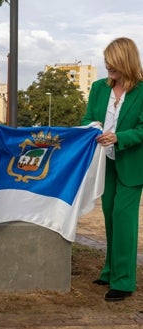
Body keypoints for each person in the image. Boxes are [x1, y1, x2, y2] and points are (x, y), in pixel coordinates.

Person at [81, 37, 143, 302]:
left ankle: (124, 281)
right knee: (109, 215)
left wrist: (120, 137)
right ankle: (110, 270)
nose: (108, 66)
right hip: (105, 162)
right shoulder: (98, 88)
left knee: (123, 218)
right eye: (106, 62)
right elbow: (86, 119)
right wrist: (94, 127)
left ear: (126, 62)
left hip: (133, 165)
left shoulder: (141, 90)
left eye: (114, 63)